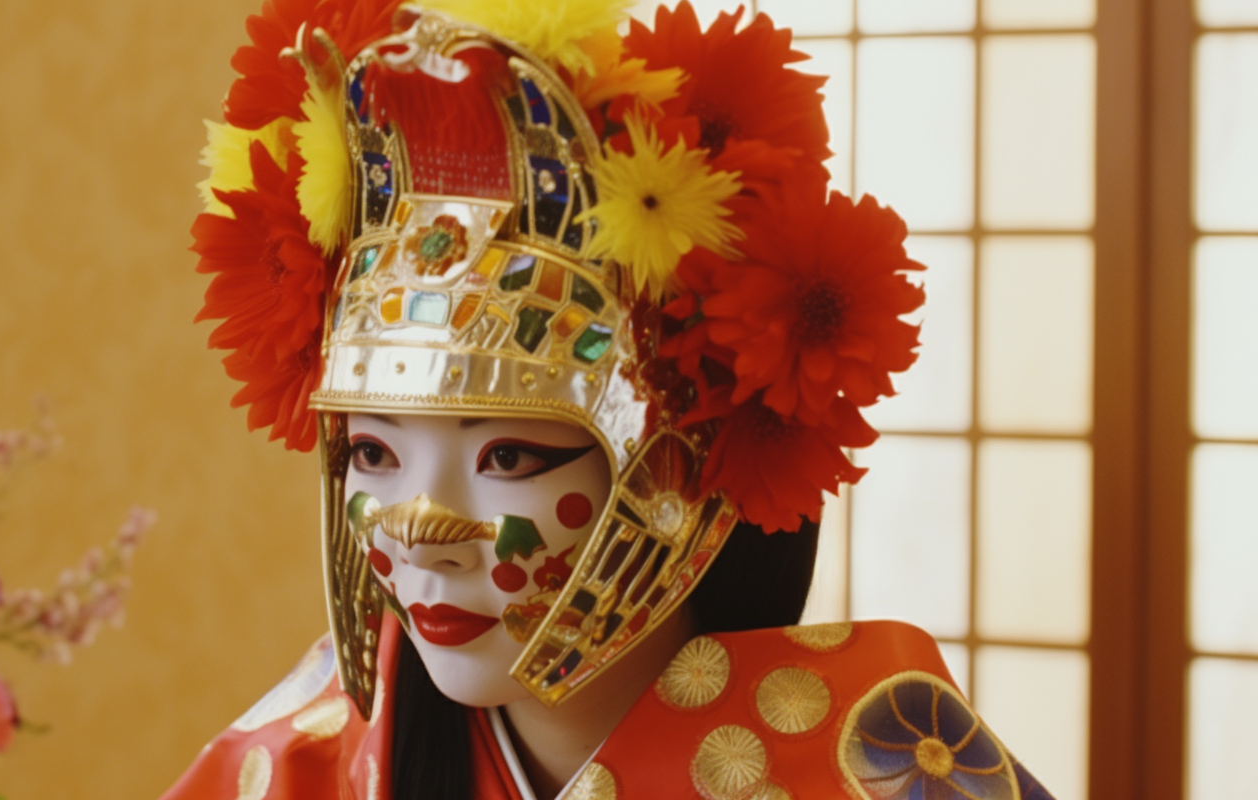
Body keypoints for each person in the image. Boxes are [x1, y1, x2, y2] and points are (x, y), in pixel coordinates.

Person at [164, 1, 1058, 798]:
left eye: (506, 456)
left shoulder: (877, 769)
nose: (415, 525)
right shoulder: (297, 766)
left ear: (678, 471)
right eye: (373, 453)